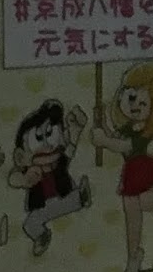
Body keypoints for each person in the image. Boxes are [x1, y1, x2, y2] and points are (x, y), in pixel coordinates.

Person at [91, 62, 153, 272]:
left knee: (135, 209)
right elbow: (116, 137)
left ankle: (135, 255)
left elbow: (122, 145)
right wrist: (102, 125)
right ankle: (136, 253)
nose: (135, 105)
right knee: (140, 206)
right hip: (132, 172)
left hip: (143, 170)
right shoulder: (128, 126)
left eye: (143, 102)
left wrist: (103, 141)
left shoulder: (143, 134)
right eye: (131, 97)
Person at [8, 99, 91, 255]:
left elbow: (69, 151)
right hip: (43, 204)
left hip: (63, 195)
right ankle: (42, 236)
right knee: (30, 223)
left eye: (50, 134)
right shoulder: (31, 170)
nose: (47, 145)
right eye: (39, 138)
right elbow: (13, 178)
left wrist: (75, 132)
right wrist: (24, 180)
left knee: (68, 200)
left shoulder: (58, 163)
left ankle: (80, 197)